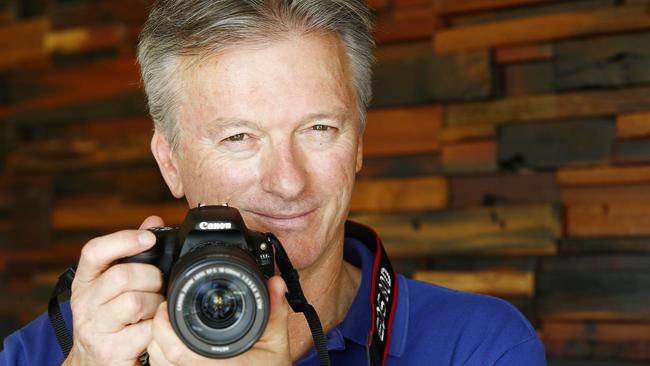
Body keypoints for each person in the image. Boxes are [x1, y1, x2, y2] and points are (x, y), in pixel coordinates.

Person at [0, 1, 547, 365]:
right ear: (169, 162)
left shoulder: (480, 346)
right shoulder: (55, 349)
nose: (287, 181)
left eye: (318, 129)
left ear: (357, 143)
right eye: (238, 137)